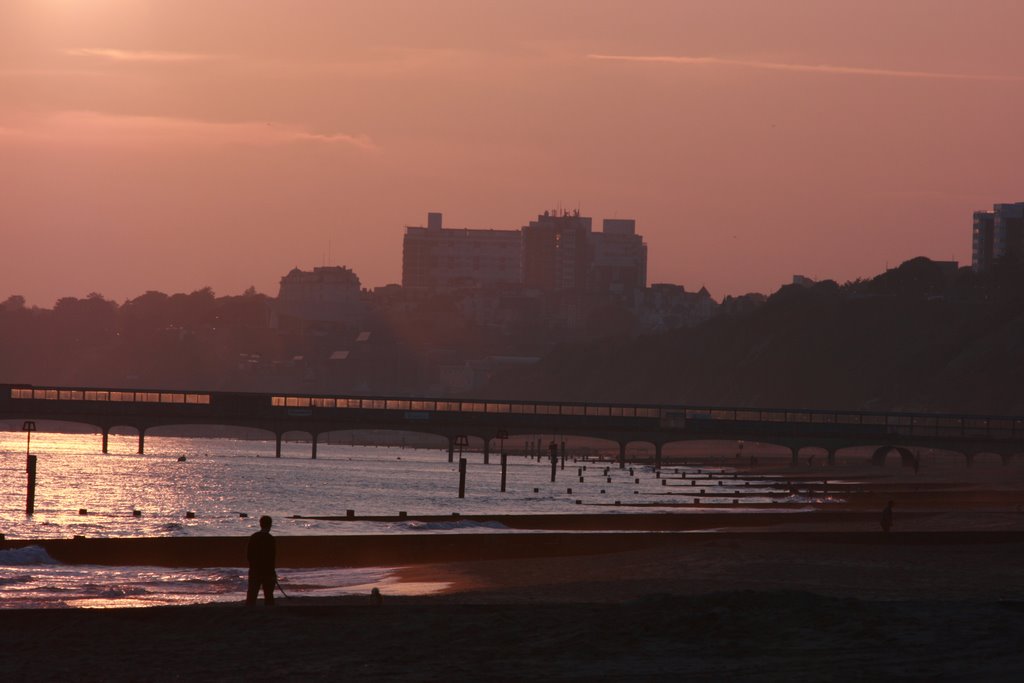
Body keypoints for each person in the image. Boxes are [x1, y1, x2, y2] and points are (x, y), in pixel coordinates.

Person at [246, 515, 276, 605]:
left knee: (252, 595)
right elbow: (272, 558)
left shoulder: (254, 537)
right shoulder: (271, 539)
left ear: (260, 524)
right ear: (270, 525)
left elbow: (249, 555)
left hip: (255, 570)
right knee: (269, 595)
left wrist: (253, 566)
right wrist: (272, 572)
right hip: (267, 571)